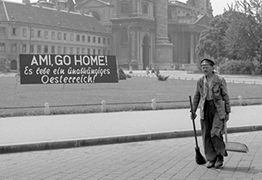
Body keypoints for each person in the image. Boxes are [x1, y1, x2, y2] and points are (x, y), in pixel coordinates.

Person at [191, 58, 231, 169]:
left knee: (215, 133)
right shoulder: (200, 81)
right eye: (202, 67)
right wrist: (193, 110)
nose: (204, 69)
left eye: (206, 67)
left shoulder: (219, 80)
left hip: (218, 109)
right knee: (206, 135)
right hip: (205, 108)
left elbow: (226, 96)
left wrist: (227, 112)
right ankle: (211, 158)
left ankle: (219, 156)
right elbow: (196, 96)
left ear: (212, 68)